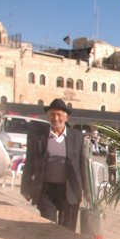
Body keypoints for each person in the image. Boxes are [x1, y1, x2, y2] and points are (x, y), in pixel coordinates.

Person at [21, 98, 87, 232]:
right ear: (48, 116)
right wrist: (25, 187)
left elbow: (82, 165)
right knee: (48, 227)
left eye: (59, 115)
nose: (55, 118)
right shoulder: (39, 136)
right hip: (46, 190)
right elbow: (29, 161)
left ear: (66, 117)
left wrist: (88, 191)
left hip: (69, 190)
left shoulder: (77, 137)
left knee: (67, 230)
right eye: (52, 115)